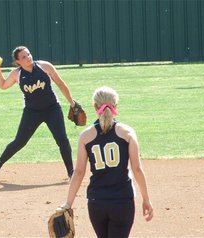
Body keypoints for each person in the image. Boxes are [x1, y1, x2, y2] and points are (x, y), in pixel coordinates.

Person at [58, 86, 153, 237]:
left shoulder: (85, 136)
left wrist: (68, 203)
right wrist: (146, 199)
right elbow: (137, 169)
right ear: (115, 105)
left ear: (95, 106)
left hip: (97, 202)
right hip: (122, 201)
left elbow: (79, 172)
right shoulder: (127, 132)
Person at [0, 46, 77, 182]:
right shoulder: (17, 74)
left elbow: (61, 84)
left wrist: (72, 103)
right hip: (32, 112)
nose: (28, 58)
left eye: (28, 54)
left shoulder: (45, 66)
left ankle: (71, 172)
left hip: (52, 109)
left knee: (62, 139)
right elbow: (3, 85)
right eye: (23, 57)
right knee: (19, 142)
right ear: (18, 62)